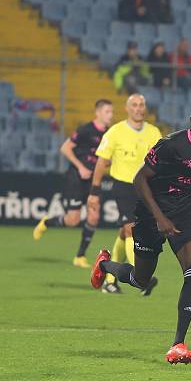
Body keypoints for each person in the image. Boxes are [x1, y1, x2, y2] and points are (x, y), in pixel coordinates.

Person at [90, 100, 191, 364]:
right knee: (140, 279)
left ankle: (178, 344)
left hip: (183, 213)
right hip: (151, 215)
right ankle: (105, 265)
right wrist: (159, 217)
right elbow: (139, 179)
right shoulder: (171, 145)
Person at [88, 94, 162, 294]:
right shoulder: (115, 132)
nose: (138, 109)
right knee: (131, 229)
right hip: (123, 186)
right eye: (134, 105)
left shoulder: (154, 133)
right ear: (127, 109)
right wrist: (94, 192)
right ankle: (141, 277)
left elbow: (161, 163)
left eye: (141, 105)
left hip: (145, 188)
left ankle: (109, 281)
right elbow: (102, 162)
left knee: (125, 232)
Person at [33, 100, 114, 268]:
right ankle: (47, 222)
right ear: (97, 112)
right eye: (107, 112)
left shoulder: (110, 134)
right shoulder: (86, 130)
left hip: (94, 181)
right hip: (76, 178)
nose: (110, 115)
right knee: (72, 220)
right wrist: (81, 167)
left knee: (94, 216)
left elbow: (106, 158)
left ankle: (80, 256)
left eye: (111, 112)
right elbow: (65, 148)